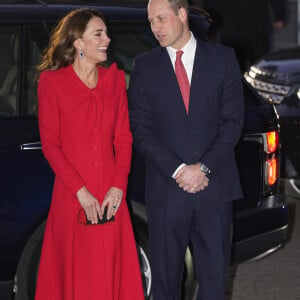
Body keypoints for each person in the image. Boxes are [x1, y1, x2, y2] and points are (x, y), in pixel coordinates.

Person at [128, 0, 244, 299]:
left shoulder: (223, 59)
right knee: (166, 284)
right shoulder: (145, 65)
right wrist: (179, 170)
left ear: (182, 14)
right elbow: (141, 131)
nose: (155, 28)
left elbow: (233, 122)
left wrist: (203, 168)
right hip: (166, 192)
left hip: (214, 190)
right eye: (151, 21)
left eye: (161, 19)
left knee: (214, 282)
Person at [35, 8, 144, 300]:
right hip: (73, 195)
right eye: (99, 34)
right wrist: (80, 191)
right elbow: (51, 144)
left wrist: (119, 187)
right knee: (74, 276)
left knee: (111, 275)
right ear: (78, 43)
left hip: (111, 194)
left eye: (106, 33)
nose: (107, 39)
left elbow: (123, 139)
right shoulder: (52, 83)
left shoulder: (115, 80)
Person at [199, 0, 286, 72]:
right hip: (232, 25)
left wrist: (279, 14)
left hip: (254, 25)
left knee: (259, 68)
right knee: (234, 69)